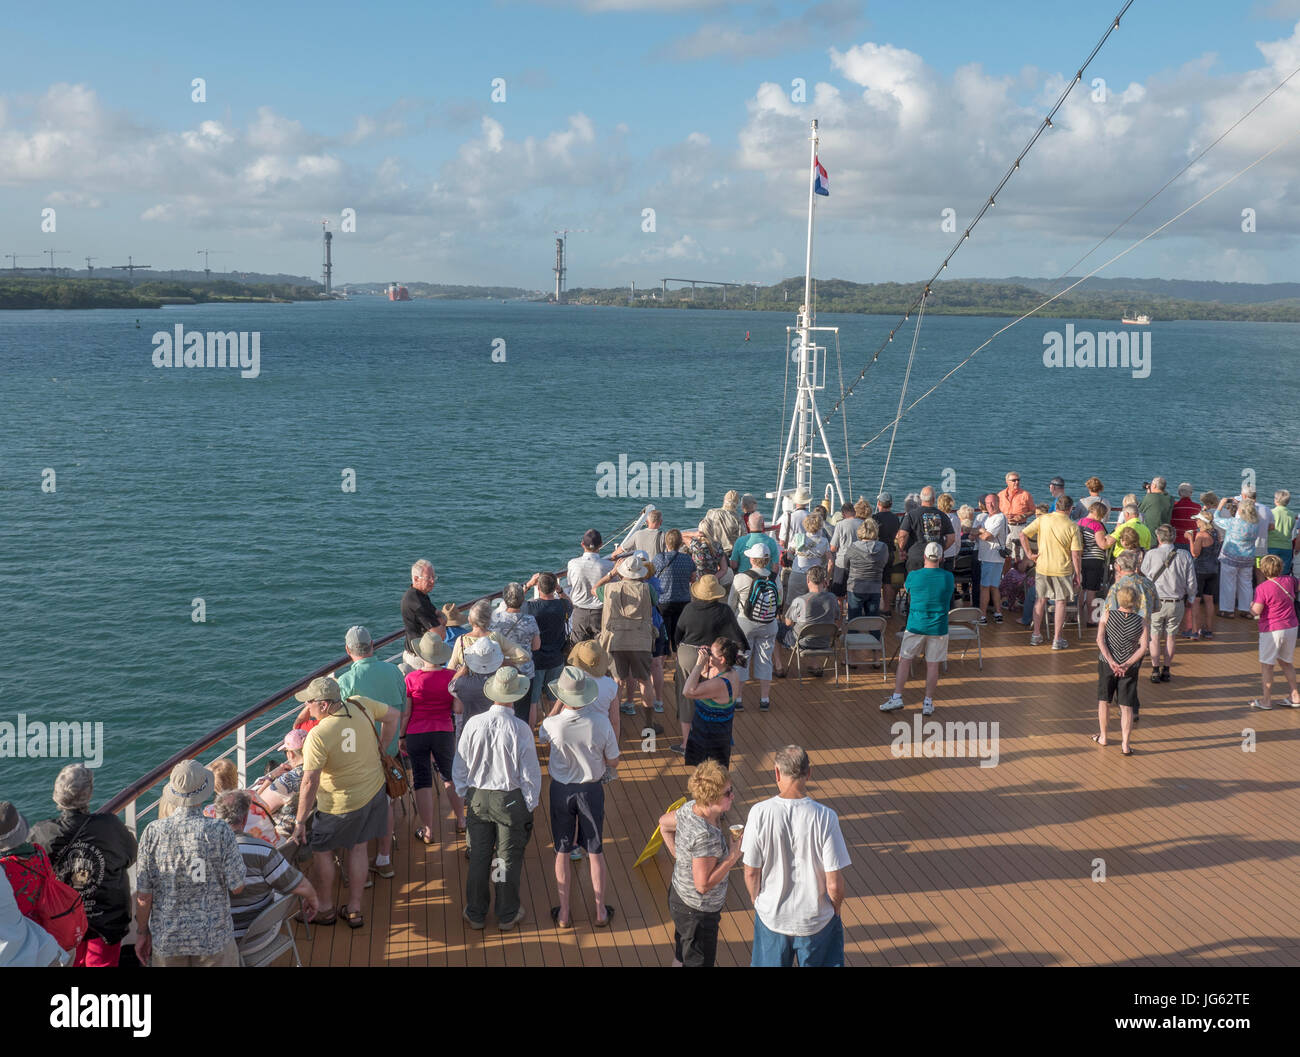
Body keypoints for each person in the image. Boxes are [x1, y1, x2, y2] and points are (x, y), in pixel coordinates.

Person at [290, 677, 398, 930]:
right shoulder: (360, 705)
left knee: (322, 851)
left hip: (339, 806)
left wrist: (298, 822)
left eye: (310, 702)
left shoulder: (318, 735)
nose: (306, 707)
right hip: (372, 792)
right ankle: (354, 909)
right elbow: (394, 715)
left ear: (325, 705)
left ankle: (325, 908)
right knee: (359, 848)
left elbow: (309, 783)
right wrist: (382, 746)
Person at [742, 745, 851, 968]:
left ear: (776, 773)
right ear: (808, 773)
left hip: (772, 916)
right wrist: (836, 907)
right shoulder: (826, 817)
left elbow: (752, 871)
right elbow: (834, 883)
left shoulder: (759, 813)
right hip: (816, 919)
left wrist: (756, 899)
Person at [453, 666, 540, 931]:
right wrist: (529, 803)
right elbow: (530, 775)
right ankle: (506, 913)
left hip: (478, 797)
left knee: (479, 856)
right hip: (510, 800)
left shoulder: (473, 724)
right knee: (506, 857)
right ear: (515, 695)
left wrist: (464, 792)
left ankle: (476, 913)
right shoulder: (520, 729)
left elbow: (460, 763)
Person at [134, 760, 246, 965]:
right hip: (214, 937)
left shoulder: (152, 832)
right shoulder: (220, 830)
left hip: (168, 939)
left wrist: (142, 932)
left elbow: (143, 896)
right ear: (204, 792)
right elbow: (237, 886)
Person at [28, 764, 137, 967]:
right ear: (89, 793)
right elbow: (130, 856)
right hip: (106, 918)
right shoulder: (110, 825)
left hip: (63, 920)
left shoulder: (41, 833)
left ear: (57, 794)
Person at [540, 666, 620, 928]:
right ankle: (600, 911)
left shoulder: (552, 725)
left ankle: (563, 913)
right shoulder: (601, 723)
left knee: (562, 850)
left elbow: (542, 738)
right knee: (595, 850)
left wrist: (555, 707)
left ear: (563, 696)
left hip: (561, 789)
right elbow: (614, 761)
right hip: (591, 790)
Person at [335, 624, 406, 877]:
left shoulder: (345, 681)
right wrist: (400, 738)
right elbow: (403, 709)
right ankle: (384, 858)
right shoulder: (394, 672)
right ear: (373, 645)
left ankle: (359, 872)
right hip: (389, 751)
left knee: (359, 809)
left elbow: (339, 722)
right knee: (386, 802)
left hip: (358, 757)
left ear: (347, 650)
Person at [658, 760, 743, 967]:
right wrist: (733, 856)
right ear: (710, 798)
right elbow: (702, 885)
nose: (732, 795)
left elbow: (663, 823)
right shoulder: (706, 835)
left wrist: (680, 857)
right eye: (727, 792)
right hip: (698, 913)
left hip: (680, 898)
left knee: (681, 954)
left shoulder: (690, 809)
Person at [214, 791, 318, 940]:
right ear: (245, 819)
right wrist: (313, 900)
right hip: (262, 933)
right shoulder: (263, 851)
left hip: (221, 941)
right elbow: (301, 886)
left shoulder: (203, 853)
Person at [672, 575, 749, 755]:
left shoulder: (689, 608)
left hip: (689, 654)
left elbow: (677, 634)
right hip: (715, 657)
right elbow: (737, 637)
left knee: (686, 697)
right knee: (714, 699)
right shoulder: (724, 610)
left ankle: (686, 745)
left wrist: (677, 649)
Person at [402, 631, 466, 843]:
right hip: (443, 732)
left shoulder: (411, 679)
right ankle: (461, 821)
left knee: (422, 780)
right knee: (449, 776)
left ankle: (428, 831)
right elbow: (457, 708)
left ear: (422, 655)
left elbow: (407, 713)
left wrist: (401, 736)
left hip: (416, 734)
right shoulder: (450, 678)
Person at [880, 542, 954, 716]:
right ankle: (928, 702)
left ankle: (897, 697)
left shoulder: (914, 576)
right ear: (941, 558)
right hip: (938, 626)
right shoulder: (948, 577)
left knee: (905, 660)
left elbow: (908, 590)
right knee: (933, 665)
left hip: (916, 624)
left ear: (924, 557)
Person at [599, 554, 661, 735]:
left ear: (622, 571)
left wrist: (610, 574)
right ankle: (649, 724)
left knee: (618, 681)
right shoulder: (647, 589)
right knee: (644, 680)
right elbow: (656, 602)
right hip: (641, 640)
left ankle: (613, 723)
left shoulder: (610, 588)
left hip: (616, 640)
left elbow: (594, 590)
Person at [1019, 496, 1084, 649]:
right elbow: (1075, 554)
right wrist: (1078, 573)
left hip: (1042, 566)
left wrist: (1029, 554)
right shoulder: (1072, 526)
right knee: (1061, 602)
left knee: (1040, 600)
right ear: (1070, 508)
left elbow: (1022, 534)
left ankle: (1036, 635)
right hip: (1062, 569)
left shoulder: (1043, 519)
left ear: (1056, 506)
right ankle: (1057, 639)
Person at [1094, 585, 1149, 756]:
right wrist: (1126, 663)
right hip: (1129, 668)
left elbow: (1100, 640)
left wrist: (1111, 661)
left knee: (1104, 701)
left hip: (1107, 664)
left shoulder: (1108, 615)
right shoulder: (1141, 621)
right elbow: (1143, 648)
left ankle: (1103, 737)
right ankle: (1125, 744)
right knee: (1126, 706)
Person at [1140, 525, 1198, 683]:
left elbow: (1144, 572)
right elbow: (1191, 581)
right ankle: (1166, 669)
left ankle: (1154, 669)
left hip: (1156, 602)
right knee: (1171, 636)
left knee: (1154, 636)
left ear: (1158, 538)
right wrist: (1191, 598)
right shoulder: (1184, 555)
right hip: (1176, 601)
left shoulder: (1151, 554)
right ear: (1174, 537)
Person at [733, 544, 782, 711]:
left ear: (752, 559)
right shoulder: (775, 578)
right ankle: (764, 699)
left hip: (745, 624)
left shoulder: (740, 577)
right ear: (767, 560)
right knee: (765, 660)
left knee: (741, 660)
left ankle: (738, 700)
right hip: (769, 623)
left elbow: (731, 603)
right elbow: (779, 601)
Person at [1250, 554, 1300, 710]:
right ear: (1280, 568)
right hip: (1291, 626)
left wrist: (1251, 606)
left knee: (1267, 665)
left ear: (1264, 570)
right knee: (1286, 662)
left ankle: (1266, 700)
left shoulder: (1262, 588)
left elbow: (1256, 610)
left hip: (1272, 629)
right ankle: (1295, 695)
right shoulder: (1290, 581)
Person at [681, 638, 741, 767]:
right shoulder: (731, 673)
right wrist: (706, 661)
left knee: (709, 780)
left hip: (709, 740)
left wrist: (699, 663)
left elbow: (687, 691)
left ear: (722, 659)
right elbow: (704, 674)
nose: (708, 655)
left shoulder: (720, 683)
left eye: (711, 654)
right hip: (718, 735)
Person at [522, 571, 573, 722]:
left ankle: (532, 733)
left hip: (536, 659)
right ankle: (555, 727)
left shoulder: (531, 608)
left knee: (533, 701)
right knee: (555, 697)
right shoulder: (562, 605)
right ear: (554, 587)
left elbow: (514, 603)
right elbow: (570, 604)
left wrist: (528, 585)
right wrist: (560, 590)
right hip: (557, 657)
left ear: (538, 587)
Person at [490, 583, 542, 724]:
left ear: (505, 600)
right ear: (522, 600)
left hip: (501, 670)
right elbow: (536, 646)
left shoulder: (495, 619)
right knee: (522, 712)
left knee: (501, 710)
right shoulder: (530, 620)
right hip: (524, 671)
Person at [449, 599, 531, 674]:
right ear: (489, 620)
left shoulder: (461, 641)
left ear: (470, 620)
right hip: (492, 686)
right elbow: (524, 656)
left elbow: (450, 668)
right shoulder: (495, 637)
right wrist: (502, 661)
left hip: (468, 687)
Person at [252, 728, 307, 838]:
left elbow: (257, 806)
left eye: (285, 752)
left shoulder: (286, 781)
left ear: (290, 754)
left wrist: (271, 777)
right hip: (310, 828)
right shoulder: (321, 769)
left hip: (284, 838)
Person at [567, 529, 614, 643]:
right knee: (601, 647)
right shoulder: (608, 566)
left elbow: (570, 583)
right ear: (601, 545)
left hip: (579, 612)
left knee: (577, 648)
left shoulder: (573, 563)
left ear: (583, 544)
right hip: (599, 612)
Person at [1214, 497, 1258, 618]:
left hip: (1230, 557)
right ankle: (1246, 609)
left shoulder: (1233, 522)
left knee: (1228, 583)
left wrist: (1220, 505)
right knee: (1246, 583)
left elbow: (1217, 519)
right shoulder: (1255, 524)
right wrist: (1241, 504)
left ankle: (1228, 610)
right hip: (1247, 557)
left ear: (1241, 510)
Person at [654, 530, 696, 652]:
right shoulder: (687, 559)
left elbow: (651, 575)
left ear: (666, 543)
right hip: (683, 601)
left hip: (663, 602)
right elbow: (693, 578)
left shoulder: (659, 558)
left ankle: (664, 658)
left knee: (664, 635)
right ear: (681, 543)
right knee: (680, 635)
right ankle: (679, 658)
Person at [896, 486, 955, 572]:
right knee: (934, 583)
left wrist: (901, 550)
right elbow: (952, 538)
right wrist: (940, 549)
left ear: (921, 499)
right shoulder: (943, 515)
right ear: (934, 499)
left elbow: (902, 536)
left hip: (915, 557)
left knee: (914, 583)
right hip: (935, 557)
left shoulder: (911, 515)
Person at [843, 519, 889, 621]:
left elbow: (845, 564)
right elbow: (884, 563)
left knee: (853, 621)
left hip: (856, 587)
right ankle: (875, 637)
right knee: (873, 621)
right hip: (875, 587)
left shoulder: (853, 547)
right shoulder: (883, 547)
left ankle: (853, 636)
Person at [450, 637, 504, 723]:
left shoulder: (463, 684)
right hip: (497, 726)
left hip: (470, 727)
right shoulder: (504, 684)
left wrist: (465, 666)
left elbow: (451, 685)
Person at [401, 559, 444, 668]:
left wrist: (441, 620)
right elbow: (439, 635)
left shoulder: (420, 596)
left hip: (419, 654)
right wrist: (442, 622)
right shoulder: (417, 602)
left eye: (434, 577)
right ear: (416, 578)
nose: (433, 581)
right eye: (428, 578)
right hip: (420, 659)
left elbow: (438, 613)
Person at [974, 493, 1008, 623]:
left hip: (991, 557)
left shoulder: (999, 518)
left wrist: (980, 531)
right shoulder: (989, 518)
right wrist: (980, 532)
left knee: (985, 587)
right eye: (988, 503)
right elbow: (974, 534)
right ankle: (998, 613)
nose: (991, 505)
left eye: (993, 502)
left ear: (998, 502)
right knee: (994, 586)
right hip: (993, 557)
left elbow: (986, 536)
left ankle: (982, 616)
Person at [868, 494, 903, 616]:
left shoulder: (874, 518)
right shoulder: (895, 518)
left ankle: (873, 608)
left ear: (879, 504)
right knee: (887, 581)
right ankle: (887, 609)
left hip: (877, 552)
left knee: (875, 580)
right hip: (890, 552)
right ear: (891, 504)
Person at [1188, 511, 1220, 639]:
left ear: (1202, 522)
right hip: (1213, 569)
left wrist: (1190, 539)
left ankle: (1195, 631)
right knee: (1209, 599)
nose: (1196, 522)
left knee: (1196, 600)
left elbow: (1195, 553)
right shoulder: (1215, 533)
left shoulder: (1201, 535)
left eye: (1197, 520)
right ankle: (1209, 629)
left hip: (1201, 570)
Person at [1077, 501, 1110, 626]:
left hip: (1082, 558)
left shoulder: (1080, 522)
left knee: (1081, 589)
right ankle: (1091, 619)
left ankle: (1079, 616)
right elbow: (1102, 544)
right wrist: (1112, 539)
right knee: (1092, 590)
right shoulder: (1097, 525)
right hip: (1094, 559)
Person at [996, 472, 1035, 554]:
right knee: (1004, 551)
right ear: (1007, 482)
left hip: (1019, 527)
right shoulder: (1000, 495)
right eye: (1014, 480)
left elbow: (1033, 510)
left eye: (1018, 480)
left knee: (1019, 553)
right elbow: (997, 511)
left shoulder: (1025, 495)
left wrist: (1022, 516)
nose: (1017, 482)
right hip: (1005, 527)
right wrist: (1005, 516)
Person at [700, 490, 744, 557]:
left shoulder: (711, 512)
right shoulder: (738, 518)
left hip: (712, 552)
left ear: (724, 500)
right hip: (730, 554)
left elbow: (703, 529)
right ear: (737, 502)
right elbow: (742, 538)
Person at [1267, 490, 1299, 575]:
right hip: (1287, 547)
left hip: (1271, 545)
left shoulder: (1271, 512)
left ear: (1276, 500)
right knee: (1284, 573)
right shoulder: (1292, 514)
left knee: (1270, 572)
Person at [936, 492, 961, 575]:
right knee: (948, 577)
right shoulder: (956, 519)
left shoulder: (936, 518)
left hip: (938, 552)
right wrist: (956, 552)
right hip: (951, 551)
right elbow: (957, 538)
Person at [1171, 484, 1201, 551]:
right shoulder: (1198, 507)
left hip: (1176, 539)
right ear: (1191, 494)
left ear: (1179, 493)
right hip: (1192, 540)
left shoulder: (1173, 506)